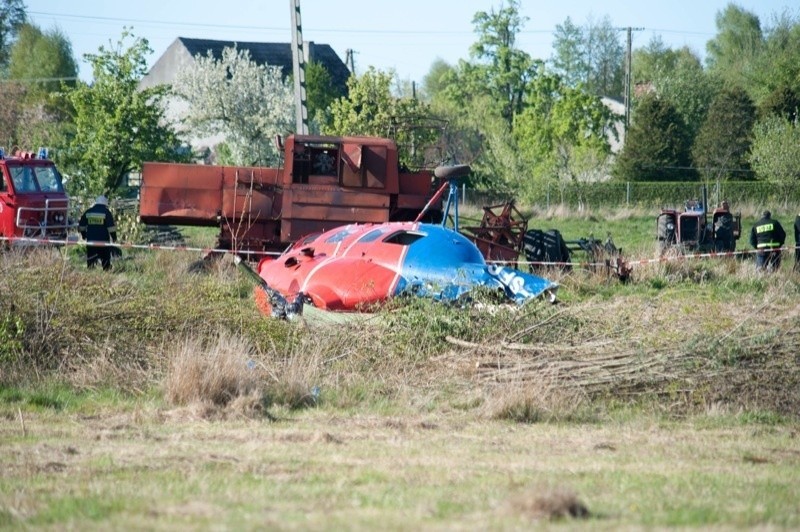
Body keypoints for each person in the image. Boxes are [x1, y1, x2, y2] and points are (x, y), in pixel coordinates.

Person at [78, 195, 117, 270]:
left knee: (91, 258)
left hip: (91, 240)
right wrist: (114, 237)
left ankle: (91, 270)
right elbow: (111, 228)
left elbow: (81, 226)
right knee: (105, 258)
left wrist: (84, 235)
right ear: (105, 204)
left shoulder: (88, 212)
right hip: (103, 241)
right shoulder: (106, 212)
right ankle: (106, 269)